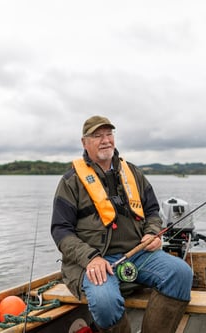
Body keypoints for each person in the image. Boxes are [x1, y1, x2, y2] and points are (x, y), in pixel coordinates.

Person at [50, 115, 193, 333]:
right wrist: (91, 259)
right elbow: (60, 230)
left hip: (138, 253)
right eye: (97, 136)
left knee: (181, 274)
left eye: (109, 134)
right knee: (105, 302)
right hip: (94, 261)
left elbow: (153, 211)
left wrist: (152, 233)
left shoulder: (134, 173)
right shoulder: (70, 182)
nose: (105, 140)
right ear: (84, 143)